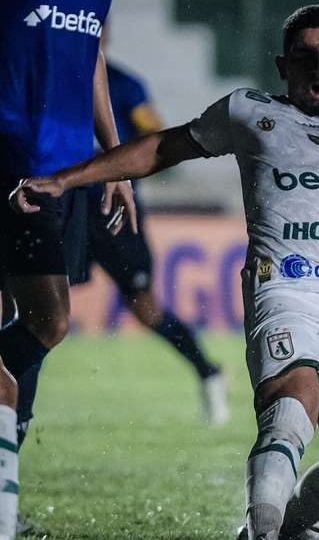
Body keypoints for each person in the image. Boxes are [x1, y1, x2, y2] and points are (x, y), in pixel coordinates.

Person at [11, 3, 319, 539]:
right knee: (288, 413)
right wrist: (69, 178)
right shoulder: (249, 112)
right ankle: (261, 529)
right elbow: (163, 146)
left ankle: (285, 527)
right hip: (286, 288)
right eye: (304, 56)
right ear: (282, 66)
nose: (318, 66)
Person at [1, 0, 133, 535]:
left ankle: (5, 493)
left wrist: (115, 158)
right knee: (45, 320)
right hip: (7, 158)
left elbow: (93, 54)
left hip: (61, 169)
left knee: (33, 328)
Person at [81, 43, 229, 425]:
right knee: (39, 298)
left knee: (144, 306)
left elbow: (154, 132)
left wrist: (120, 158)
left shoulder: (124, 84)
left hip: (113, 209)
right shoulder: (53, 73)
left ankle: (207, 370)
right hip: (63, 204)